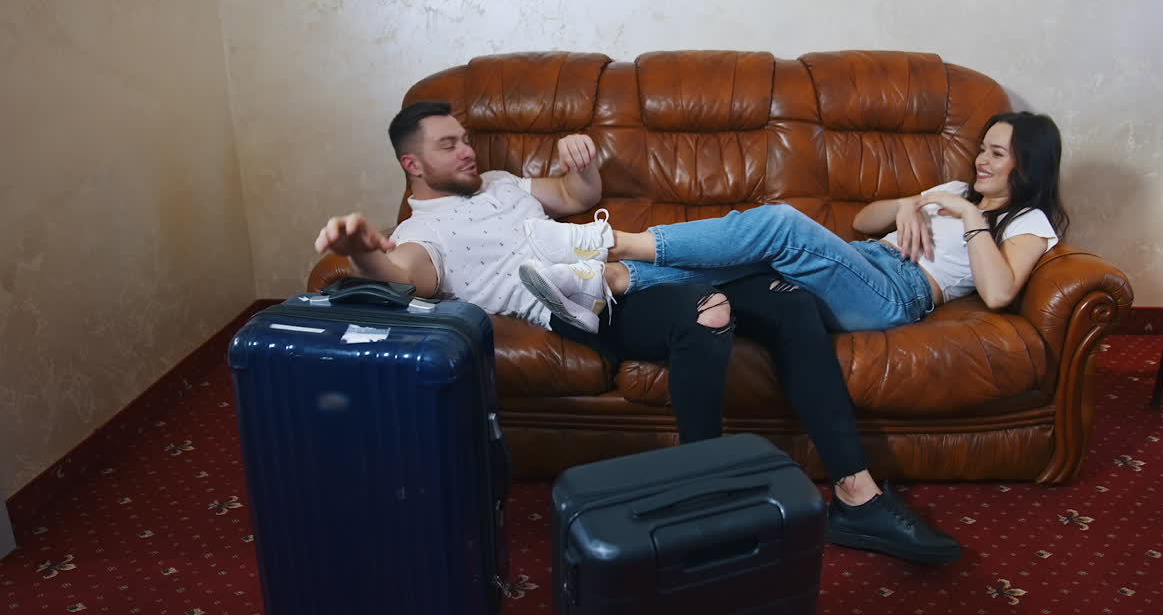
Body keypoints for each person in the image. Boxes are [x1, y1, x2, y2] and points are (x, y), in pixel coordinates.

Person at [316, 100, 962, 564]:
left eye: (465, 138)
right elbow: (405, 275)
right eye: (448, 145)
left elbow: (574, 194)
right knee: (709, 306)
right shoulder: (422, 233)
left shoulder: (502, 184)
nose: (467, 149)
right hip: (598, 309)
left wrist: (583, 160)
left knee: (789, 303)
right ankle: (702, 496)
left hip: (618, 264)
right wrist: (361, 252)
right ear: (412, 164)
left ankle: (857, 494)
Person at [518, 111, 1068, 336]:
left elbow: (998, 294)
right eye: (983, 149)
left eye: (997, 154)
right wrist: (907, 202)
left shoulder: (1029, 222)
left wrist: (973, 216)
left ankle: (608, 242)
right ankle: (604, 284)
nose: (982, 161)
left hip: (897, 295)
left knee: (780, 224)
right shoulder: (949, 189)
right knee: (745, 261)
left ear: (1029, 163)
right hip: (862, 258)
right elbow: (861, 219)